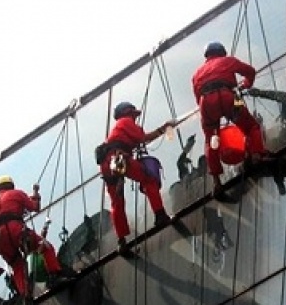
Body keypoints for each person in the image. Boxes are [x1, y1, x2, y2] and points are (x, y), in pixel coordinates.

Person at [191, 41, 270, 200]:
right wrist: (246, 85)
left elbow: (197, 97)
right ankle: (257, 156)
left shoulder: (196, 74)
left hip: (206, 103)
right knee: (251, 125)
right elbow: (250, 71)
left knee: (210, 141)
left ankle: (216, 182)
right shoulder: (227, 61)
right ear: (222, 52)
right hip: (229, 97)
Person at [97, 102, 176, 252]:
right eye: (134, 115)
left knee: (117, 202)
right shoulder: (125, 122)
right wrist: (164, 128)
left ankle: (121, 242)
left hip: (106, 164)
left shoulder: (116, 130)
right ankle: (160, 215)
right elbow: (143, 138)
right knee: (149, 179)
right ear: (128, 113)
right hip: (119, 157)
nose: (135, 119)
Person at [0, 175, 74, 296]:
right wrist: (36, 195)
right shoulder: (17, 194)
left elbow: (8, 210)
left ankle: (26, 296)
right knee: (45, 246)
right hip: (16, 231)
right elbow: (34, 207)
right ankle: (55, 276)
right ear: (11, 185)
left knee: (17, 265)